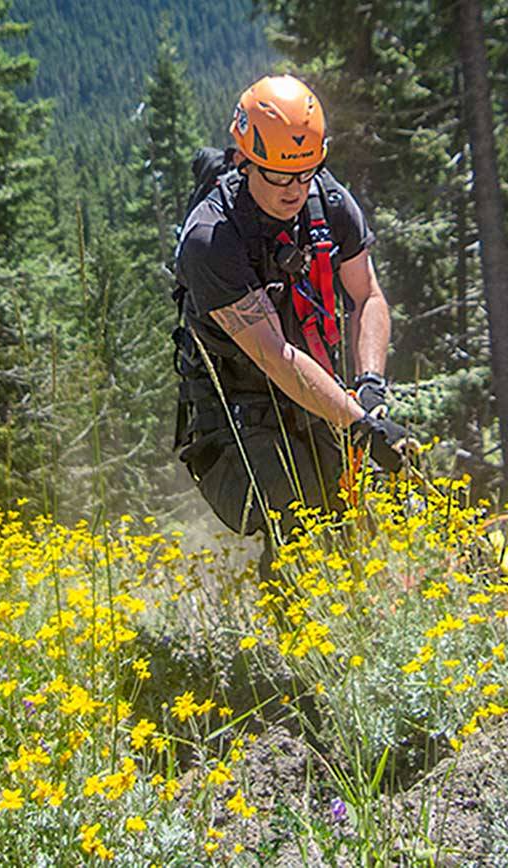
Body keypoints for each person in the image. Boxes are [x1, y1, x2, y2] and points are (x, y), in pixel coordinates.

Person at [173, 74, 409, 569]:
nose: (294, 190)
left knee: (348, 526)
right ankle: (293, 640)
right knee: (299, 519)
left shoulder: (327, 201)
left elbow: (367, 295)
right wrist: (360, 424)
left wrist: (369, 386)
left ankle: (346, 630)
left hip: (317, 388)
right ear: (245, 161)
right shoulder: (211, 239)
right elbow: (274, 355)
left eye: (305, 173)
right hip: (238, 405)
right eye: (279, 177)